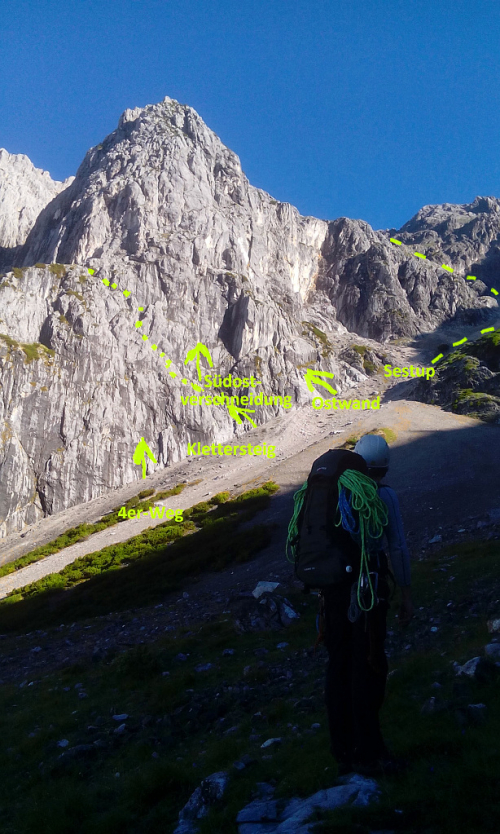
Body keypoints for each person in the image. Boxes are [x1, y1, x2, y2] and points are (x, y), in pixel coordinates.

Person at [322, 433, 414, 777]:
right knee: (370, 662)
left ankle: (343, 749)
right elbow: (398, 548)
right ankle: (371, 752)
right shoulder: (383, 495)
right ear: (384, 466)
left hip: (333, 591)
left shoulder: (334, 492)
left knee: (339, 665)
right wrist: (406, 595)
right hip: (367, 588)